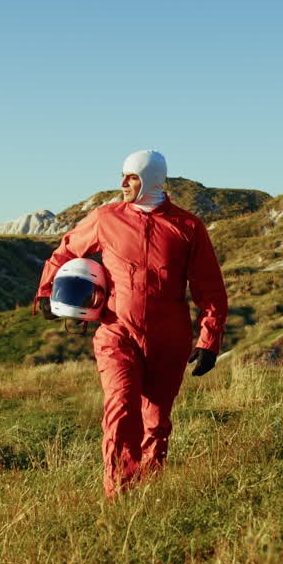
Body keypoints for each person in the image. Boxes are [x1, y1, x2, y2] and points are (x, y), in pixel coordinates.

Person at [35, 150, 228, 498]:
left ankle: (148, 494)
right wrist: (46, 291)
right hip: (116, 330)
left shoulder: (188, 227)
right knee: (122, 405)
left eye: (132, 177)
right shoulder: (105, 218)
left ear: (152, 179)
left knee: (156, 422)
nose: (123, 183)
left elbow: (210, 289)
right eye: (123, 175)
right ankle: (118, 495)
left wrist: (209, 341)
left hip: (169, 337)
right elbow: (66, 250)